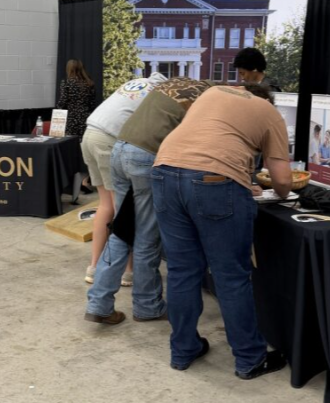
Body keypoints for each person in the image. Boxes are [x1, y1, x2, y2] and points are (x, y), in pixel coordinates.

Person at [151, 84, 292, 379]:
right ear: (267, 100)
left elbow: (207, 142)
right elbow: (282, 179)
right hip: (213, 182)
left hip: (164, 172)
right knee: (230, 276)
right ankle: (250, 359)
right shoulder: (269, 113)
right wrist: (280, 194)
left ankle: (183, 350)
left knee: (181, 270)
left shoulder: (213, 92)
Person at [84, 77, 212, 325]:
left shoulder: (169, 87)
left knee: (122, 229)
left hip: (119, 150)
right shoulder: (208, 99)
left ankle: (99, 303)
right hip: (144, 157)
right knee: (146, 237)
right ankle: (147, 306)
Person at [81, 72, 167, 285]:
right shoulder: (157, 95)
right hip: (109, 140)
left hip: (89, 134)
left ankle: (93, 267)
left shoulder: (135, 84)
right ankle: (128, 271)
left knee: (105, 205)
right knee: (124, 210)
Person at [56, 59, 96, 139]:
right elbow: (92, 103)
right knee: (83, 142)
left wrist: (58, 108)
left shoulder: (66, 82)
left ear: (69, 69)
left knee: (70, 142)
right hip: (85, 116)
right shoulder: (89, 83)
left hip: (71, 118)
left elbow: (63, 100)